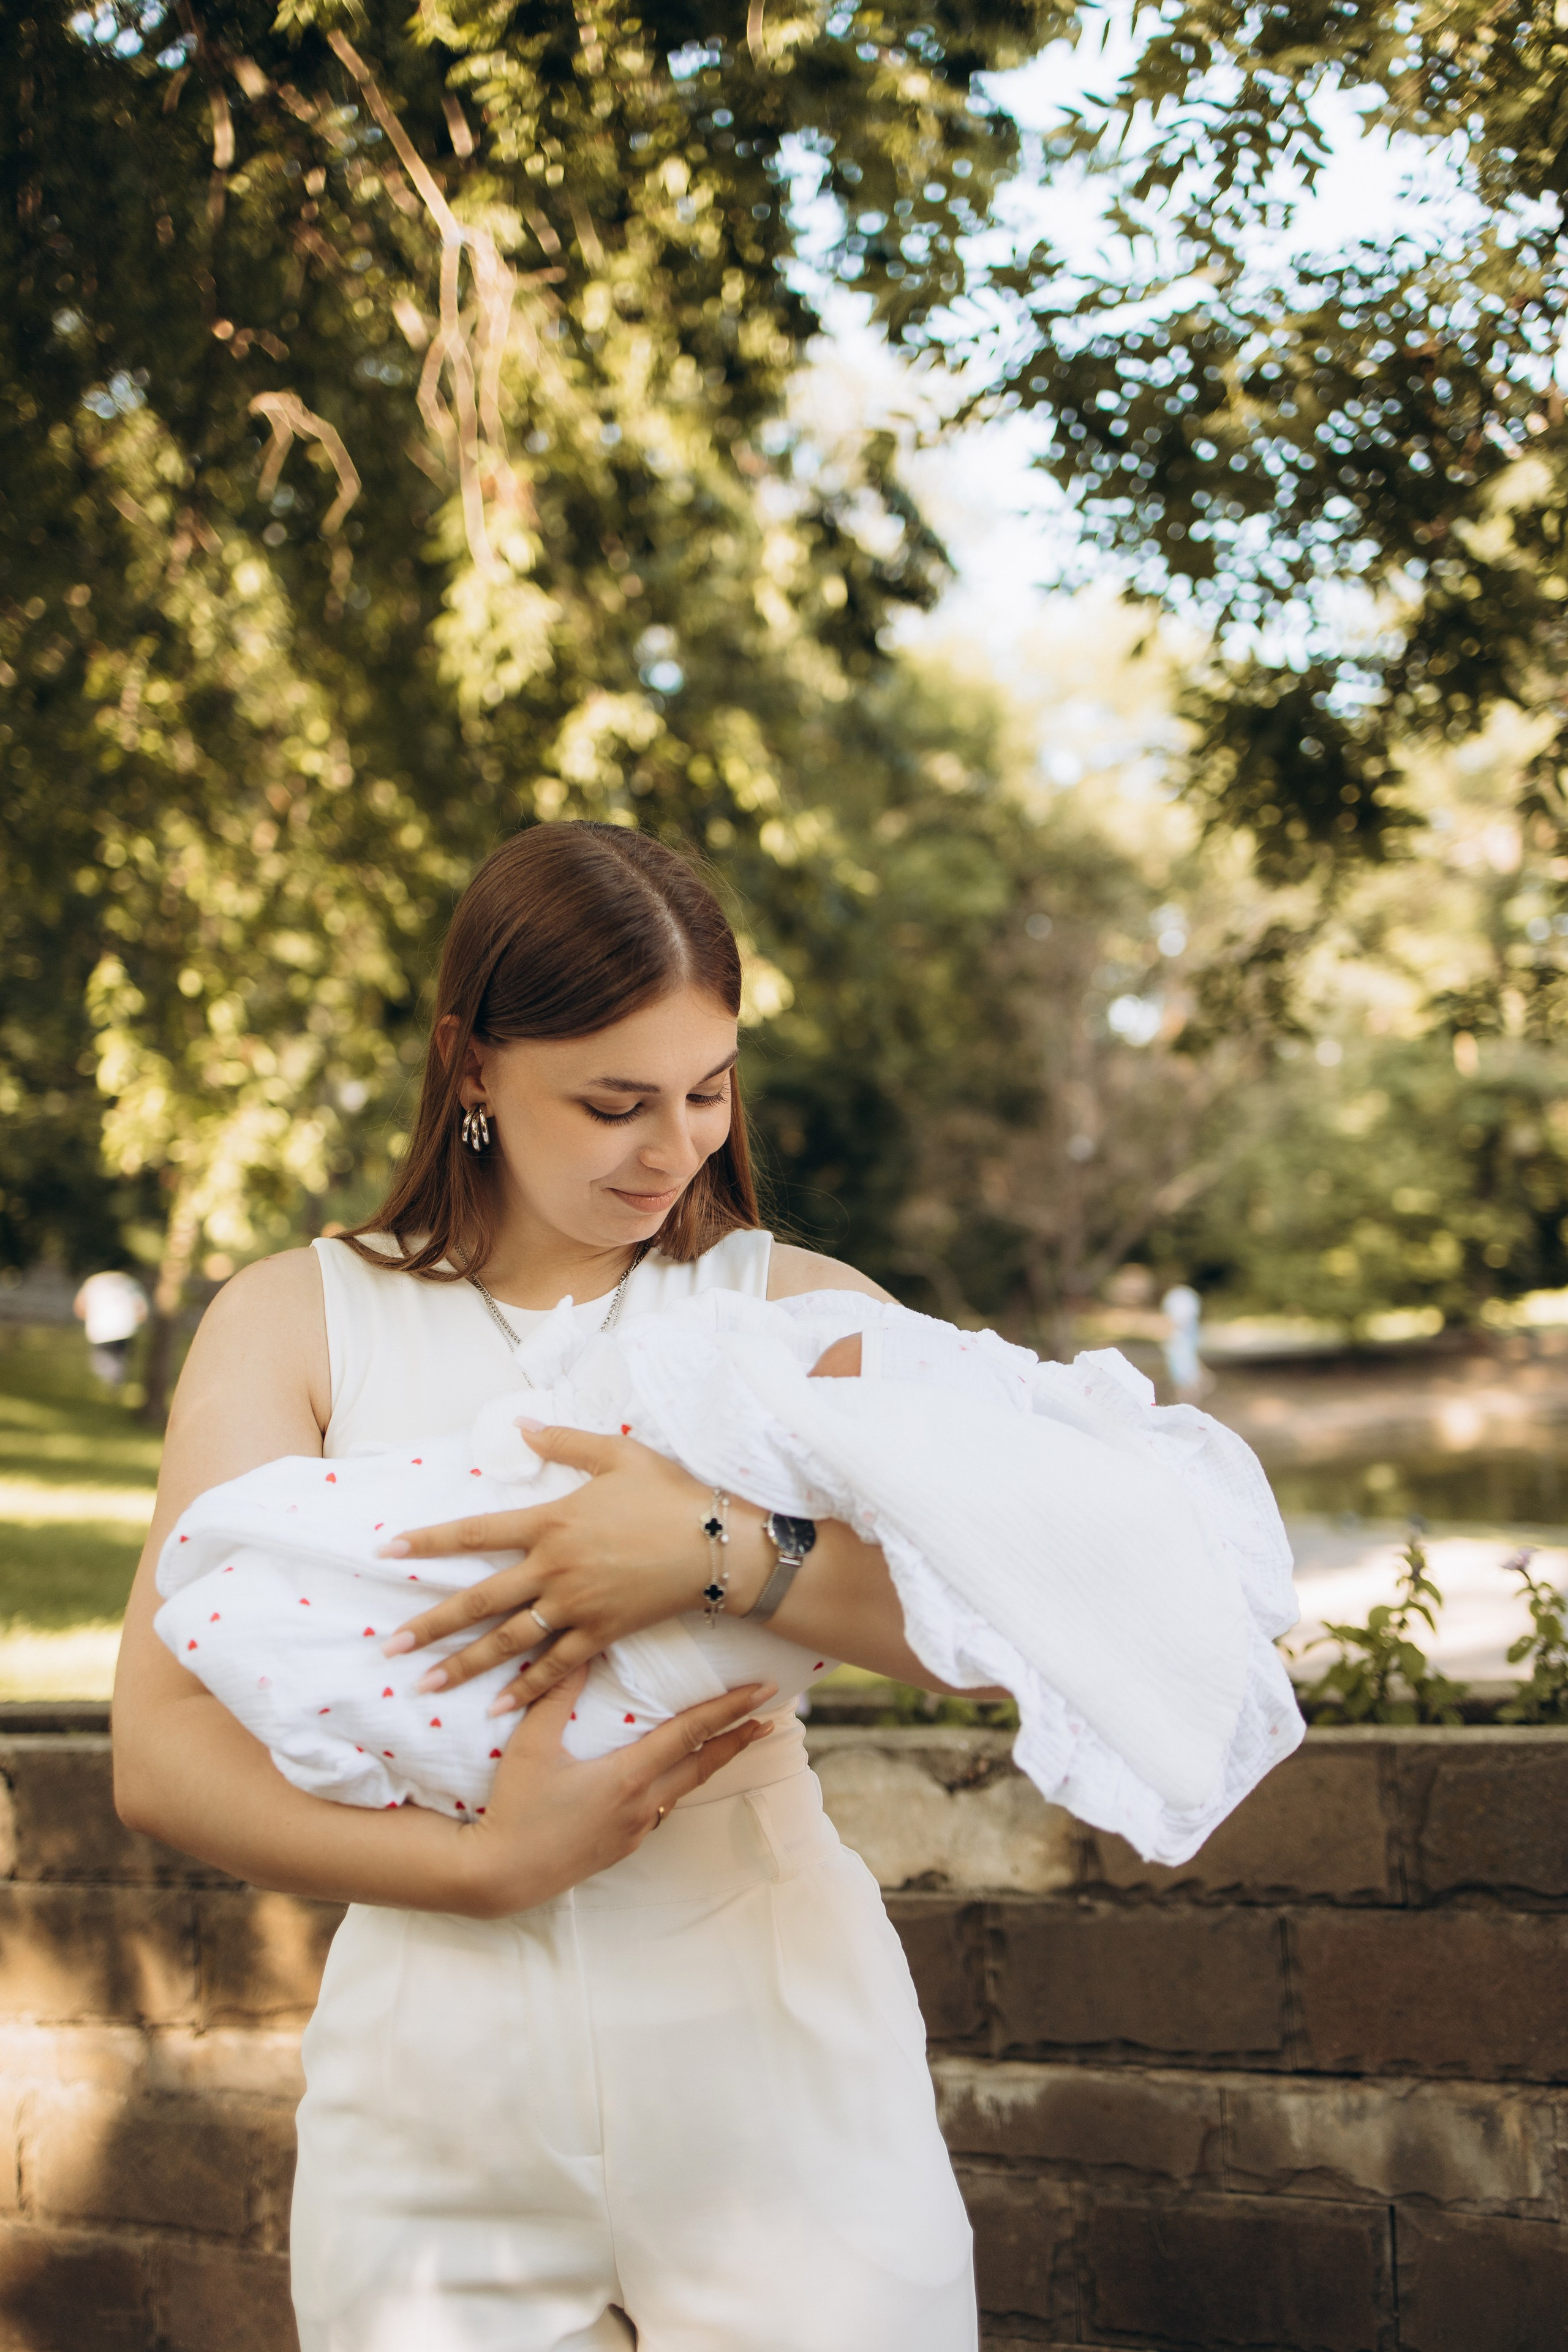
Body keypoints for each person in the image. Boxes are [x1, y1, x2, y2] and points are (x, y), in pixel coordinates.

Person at [113, 823, 989, 2352]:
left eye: (706, 1091)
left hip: (780, 2088)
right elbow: (160, 1745)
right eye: (612, 1100)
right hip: (435, 2113)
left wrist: (721, 1551)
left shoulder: (793, 1309)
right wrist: (484, 1868)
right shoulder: (294, 1320)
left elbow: (1004, 1627)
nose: (674, 1148)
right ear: (469, 1064)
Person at [73, 1267, 148, 1388]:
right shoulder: (130, 1282)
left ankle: (111, 1384)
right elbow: (141, 1310)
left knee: (102, 1362)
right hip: (125, 1329)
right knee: (119, 1361)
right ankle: (116, 1383)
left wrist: (92, 1317)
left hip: (100, 1330)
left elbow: (80, 1307)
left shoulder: (93, 1282)